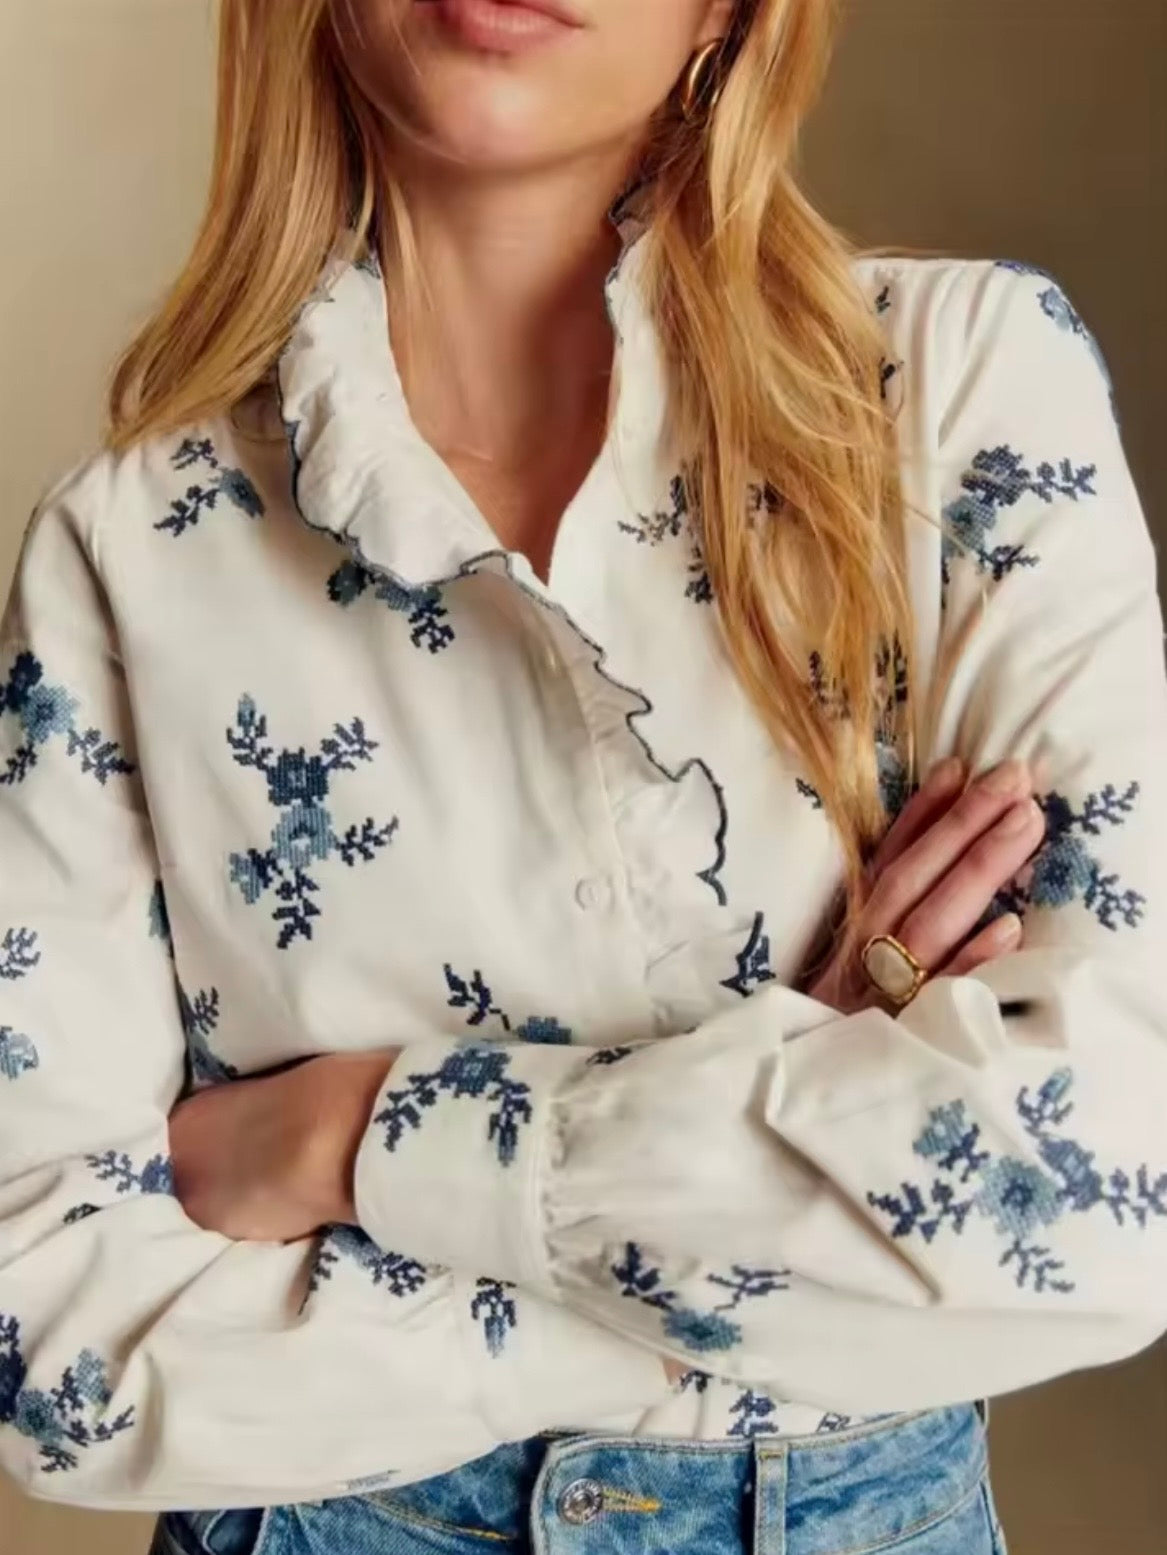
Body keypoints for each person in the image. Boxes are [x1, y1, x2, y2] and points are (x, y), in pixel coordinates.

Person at [1, 1, 1164, 1551]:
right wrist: (808, 1100)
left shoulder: (955, 393)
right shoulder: (128, 548)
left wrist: (349, 1142)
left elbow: (1099, 1207)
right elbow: (49, 1345)